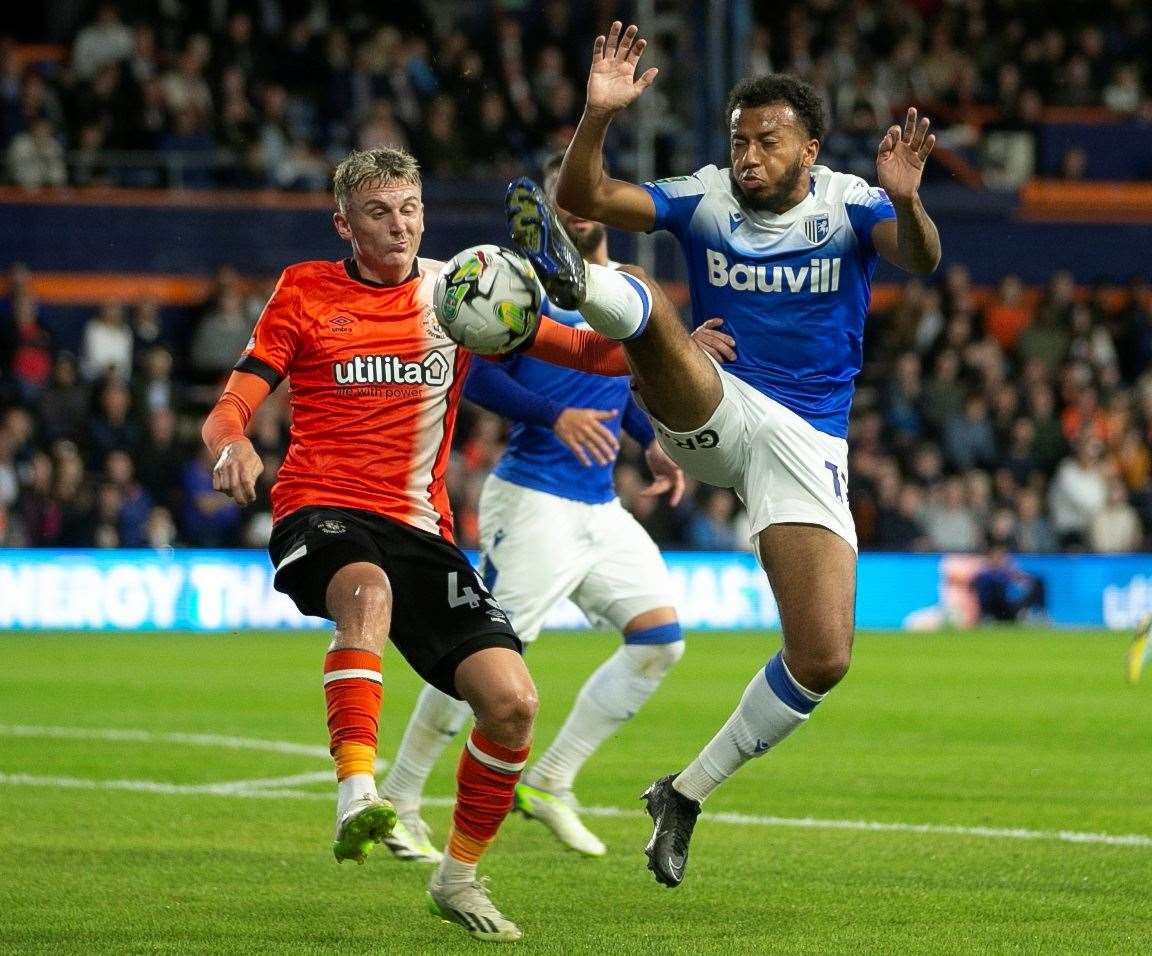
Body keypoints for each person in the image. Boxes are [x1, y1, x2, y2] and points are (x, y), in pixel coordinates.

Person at [506, 22, 941, 887]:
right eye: (739, 140)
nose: (747, 156)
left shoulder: (852, 203)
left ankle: (686, 793)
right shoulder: (702, 197)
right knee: (642, 299)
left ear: (809, 148)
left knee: (823, 658)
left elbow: (921, 259)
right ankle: (585, 287)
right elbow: (585, 193)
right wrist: (596, 115)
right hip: (718, 403)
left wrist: (910, 201)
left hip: (808, 441)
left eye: (767, 141)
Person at [202, 146, 632, 943]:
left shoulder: (459, 288)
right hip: (320, 509)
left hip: (422, 530)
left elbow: (581, 352)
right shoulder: (304, 290)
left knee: (512, 705)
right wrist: (232, 443)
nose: (397, 225)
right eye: (377, 212)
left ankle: (459, 878)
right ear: (344, 224)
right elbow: (233, 402)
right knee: (366, 594)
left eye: (408, 208)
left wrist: (663, 340)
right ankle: (359, 795)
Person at [379, 153, 694, 863]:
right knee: (484, 662)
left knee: (659, 641)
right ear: (546, 211)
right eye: (564, 201)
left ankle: (551, 779)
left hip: (597, 507)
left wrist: (652, 441)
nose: (578, 211)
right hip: (533, 502)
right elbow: (477, 372)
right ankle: (399, 799)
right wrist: (553, 417)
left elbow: (625, 384)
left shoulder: (621, 290)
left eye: (586, 199)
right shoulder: (521, 288)